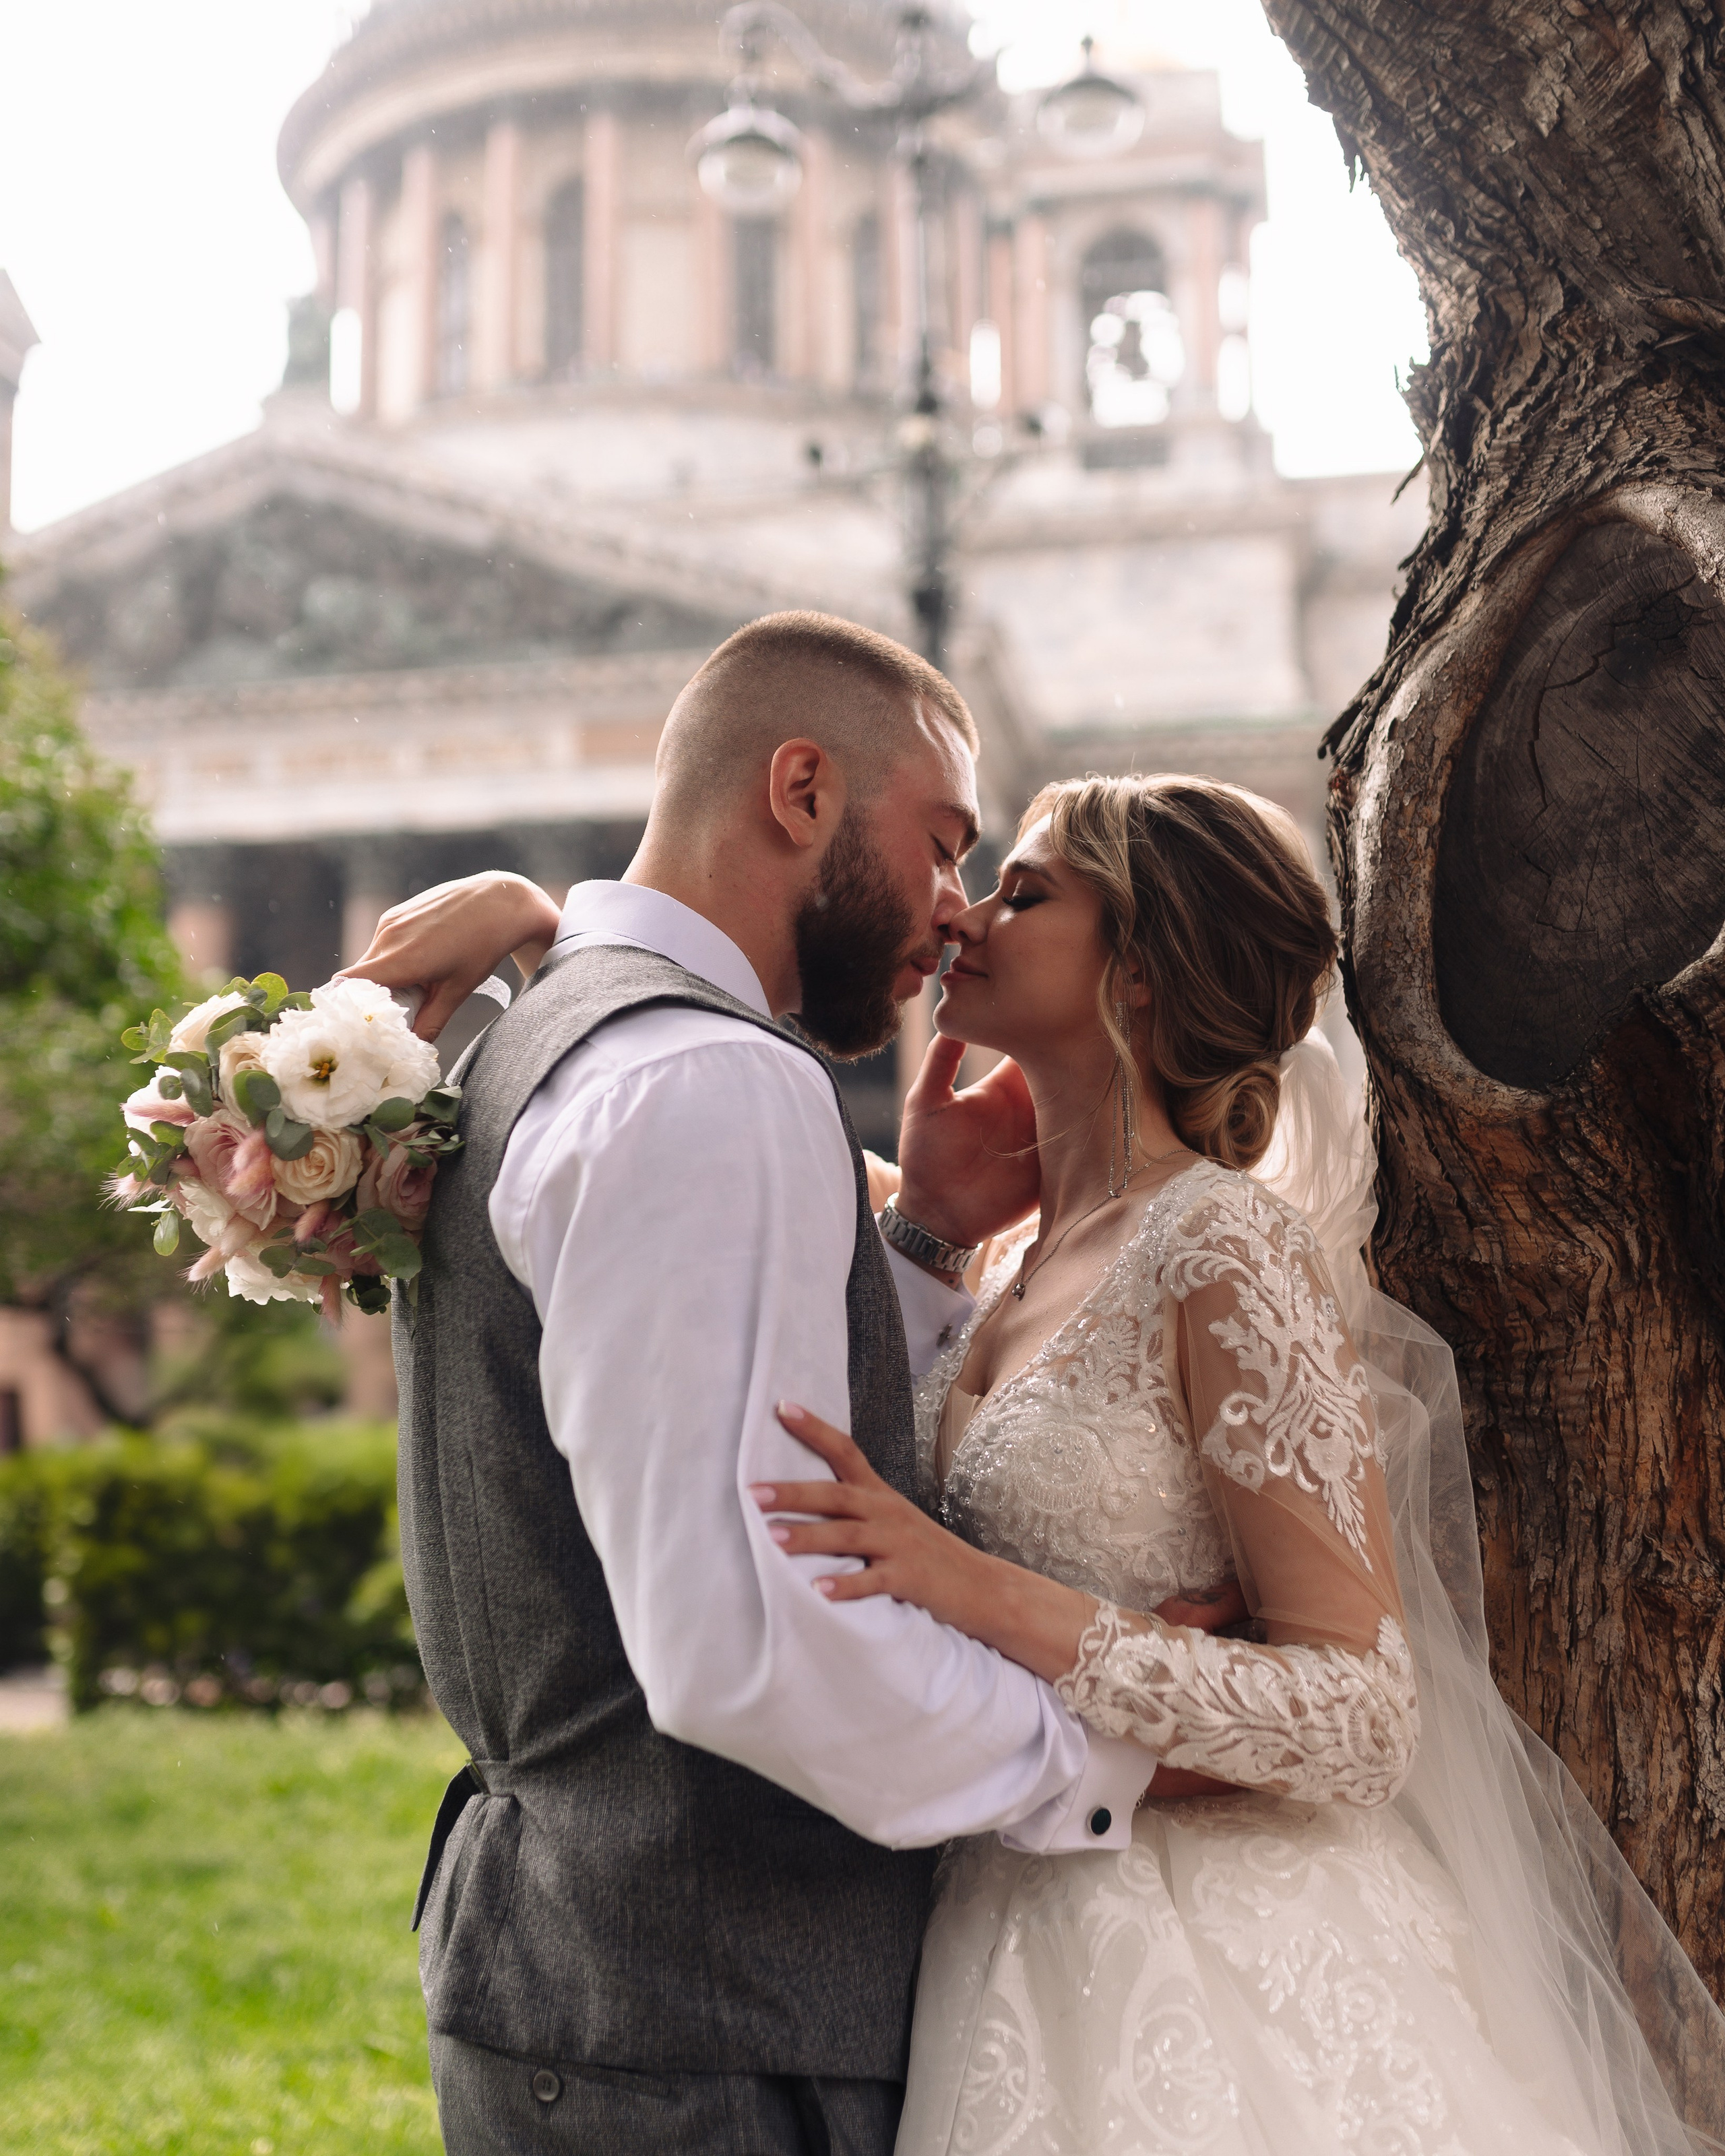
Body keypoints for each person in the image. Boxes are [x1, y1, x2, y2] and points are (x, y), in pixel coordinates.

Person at [380, 765, 1725, 2156]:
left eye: (1021, 892)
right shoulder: (996, 1250)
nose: (961, 919)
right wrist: (535, 924)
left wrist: (977, 1587)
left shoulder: (1220, 1249)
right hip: (990, 1929)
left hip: (1213, 1966)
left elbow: (1361, 1714)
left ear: (1135, 971)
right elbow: (641, 1117)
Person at [344, 612, 1207, 2156]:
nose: (955, 915)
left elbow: (702, 1401)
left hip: (603, 1993)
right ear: (800, 789)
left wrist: (927, 1235)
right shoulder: (709, 1082)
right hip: (706, 2028)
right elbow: (750, 1640)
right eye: (945, 845)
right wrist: (1110, 1746)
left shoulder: (546, 1031)